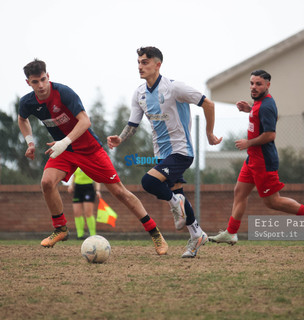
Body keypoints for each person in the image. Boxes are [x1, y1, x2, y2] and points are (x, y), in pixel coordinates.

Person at [18, 59, 168, 255]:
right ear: (28, 83)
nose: (41, 85)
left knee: (120, 193)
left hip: (89, 150)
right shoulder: (27, 102)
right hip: (65, 151)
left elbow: (85, 121)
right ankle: (61, 229)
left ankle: (155, 233)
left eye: (43, 80)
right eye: (35, 82)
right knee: (46, 182)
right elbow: (22, 119)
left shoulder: (64, 93)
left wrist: (64, 142)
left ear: (48, 77)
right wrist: (30, 142)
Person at [107, 47, 222, 258]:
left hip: (181, 151)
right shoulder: (139, 93)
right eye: (139, 62)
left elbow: (208, 104)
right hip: (162, 154)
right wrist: (121, 138)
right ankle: (197, 234)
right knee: (178, 194)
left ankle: (175, 204)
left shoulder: (175, 88)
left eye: (145, 62)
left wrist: (209, 133)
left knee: (149, 182)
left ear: (158, 65)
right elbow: (133, 123)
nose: (140, 66)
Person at [209, 70, 304, 245]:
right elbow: (260, 116)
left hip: (263, 161)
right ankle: (231, 232)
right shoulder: (259, 103)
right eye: (252, 83)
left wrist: (249, 143)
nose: (254, 87)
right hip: (252, 159)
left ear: (267, 85)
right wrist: (249, 109)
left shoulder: (267, 105)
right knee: (239, 192)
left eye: (258, 84)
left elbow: (270, 135)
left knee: (273, 202)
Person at [68, 167, 100, 239]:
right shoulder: (76, 163)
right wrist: (71, 185)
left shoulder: (90, 163)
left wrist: (97, 190)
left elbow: (97, 178)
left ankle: (92, 234)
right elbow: (74, 175)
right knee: (77, 213)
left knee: (88, 213)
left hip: (88, 188)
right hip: (78, 189)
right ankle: (80, 235)